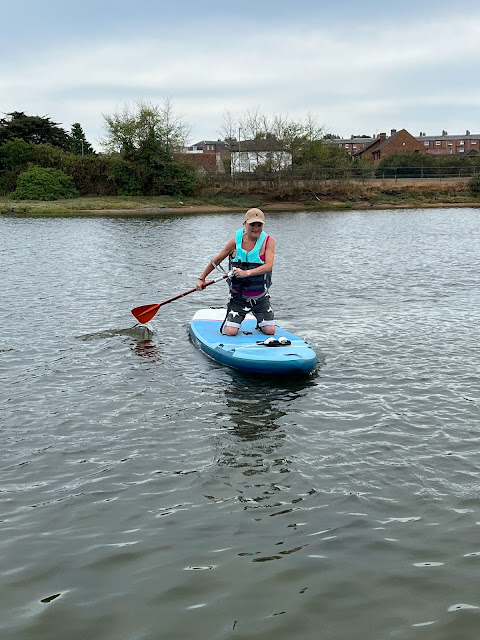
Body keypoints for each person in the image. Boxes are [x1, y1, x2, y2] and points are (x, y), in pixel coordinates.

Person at [196, 208, 276, 336]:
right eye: (252, 225)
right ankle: (236, 318)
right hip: (238, 297)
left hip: (260, 297)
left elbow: (268, 267)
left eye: (259, 225)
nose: (256, 228)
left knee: (270, 331)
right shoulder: (235, 242)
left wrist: (246, 273)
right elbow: (216, 261)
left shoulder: (269, 241)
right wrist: (202, 278)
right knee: (231, 332)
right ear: (245, 224)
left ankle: (260, 322)